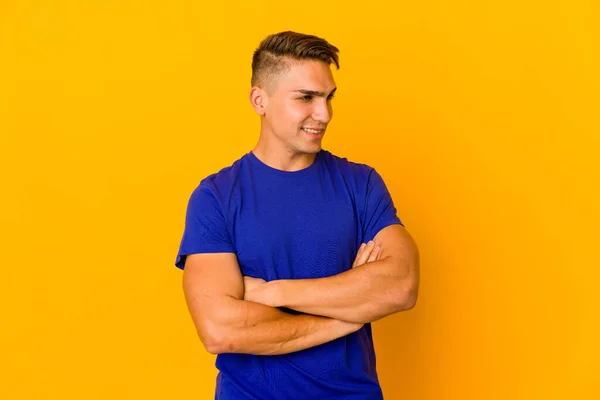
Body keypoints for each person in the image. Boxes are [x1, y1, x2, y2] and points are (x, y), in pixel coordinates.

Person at [175, 31, 420, 400]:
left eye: (328, 97)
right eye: (306, 97)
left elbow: (401, 285)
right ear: (260, 99)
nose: (323, 114)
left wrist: (270, 292)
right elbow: (221, 330)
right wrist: (348, 314)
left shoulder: (361, 184)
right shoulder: (216, 197)